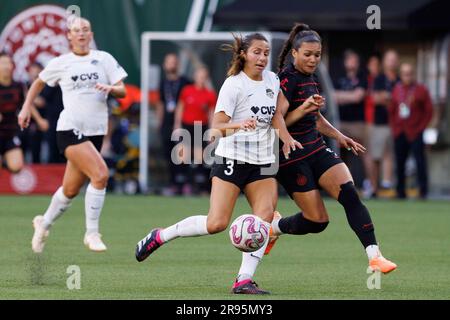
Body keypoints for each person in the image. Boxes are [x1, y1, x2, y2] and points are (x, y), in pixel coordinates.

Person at [135, 33, 284, 294]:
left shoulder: (273, 80)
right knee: (216, 223)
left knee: (264, 219)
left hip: (263, 160)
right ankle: (161, 235)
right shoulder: (233, 85)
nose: (262, 58)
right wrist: (240, 124)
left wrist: (298, 119)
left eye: (266, 53)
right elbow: (215, 129)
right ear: (244, 55)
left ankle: (243, 280)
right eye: (257, 52)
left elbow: (278, 116)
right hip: (232, 158)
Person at [266, 23, 397, 274]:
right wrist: (286, 138)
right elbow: (276, 117)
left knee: (350, 194)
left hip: (316, 147)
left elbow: (315, 118)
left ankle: (375, 257)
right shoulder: (287, 77)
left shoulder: (311, 79)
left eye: (317, 54)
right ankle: (275, 228)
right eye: (307, 54)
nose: (313, 59)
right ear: (294, 53)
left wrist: (340, 136)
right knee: (318, 221)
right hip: (292, 157)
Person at [18, 17, 127, 253]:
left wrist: (112, 89)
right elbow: (38, 83)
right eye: (76, 30)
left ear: (91, 34)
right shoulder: (62, 62)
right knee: (100, 174)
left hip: (95, 133)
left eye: (85, 30)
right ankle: (92, 233)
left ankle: (43, 223)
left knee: (69, 190)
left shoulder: (104, 59)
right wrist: (26, 108)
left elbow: (122, 89)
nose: (81, 34)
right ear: (69, 36)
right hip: (69, 129)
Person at [389, 63, 433, 199]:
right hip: (400, 131)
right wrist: (394, 127)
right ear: (401, 75)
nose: (407, 76)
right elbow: (392, 110)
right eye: (404, 73)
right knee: (400, 162)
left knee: (420, 161)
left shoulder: (421, 90)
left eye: (409, 73)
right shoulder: (396, 89)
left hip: (415, 131)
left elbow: (429, 111)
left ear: (413, 74)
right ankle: (400, 191)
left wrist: (421, 127)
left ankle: (423, 191)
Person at [174, 66, 217, 194]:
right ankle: (182, 184)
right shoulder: (187, 90)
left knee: (199, 157)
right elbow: (180, 108)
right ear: (195, 77)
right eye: (200, 76)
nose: (201, 79)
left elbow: (211, 114)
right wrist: (177, 125)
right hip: (187, 126)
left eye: (204, 77)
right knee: (183, 155)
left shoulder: (209, 94)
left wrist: (211, 131)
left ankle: (198, 185)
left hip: (201, 127)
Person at [0, 52, 46, 173]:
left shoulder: (19, 86)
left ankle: (6, 160)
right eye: (3, 63)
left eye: (8, 63)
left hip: (11, 132)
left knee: (16, 166)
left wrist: (40, 120)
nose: (6, 66)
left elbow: (27, 104)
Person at [333, 49, 371, 192]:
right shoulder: (339, 78)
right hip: (340, 123)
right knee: (339, 155)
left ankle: (369, 186)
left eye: (354, 60)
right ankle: (342, 186)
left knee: (364, 153)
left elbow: (358, 97)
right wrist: (349, 96)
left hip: (357, 123)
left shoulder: (362, 77)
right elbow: (332, 96)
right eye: (349, 60)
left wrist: (343, 97)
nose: (352, 63)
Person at [155, 53, 191, 195]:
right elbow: (160, 103)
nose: (172, 65)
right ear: (165, 65)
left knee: (183, 153)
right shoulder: (162, 83)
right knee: (168, 152)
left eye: (174, 62)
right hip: (167, 123)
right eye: (169, 62)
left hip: (183, 123)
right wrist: (160, 121)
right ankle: (173, 183)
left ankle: (185, 181)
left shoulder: (186, 82)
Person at [371, 50, 399, 192]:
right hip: (380, 123)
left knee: (392, 155)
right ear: (384, 62)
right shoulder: (379, 79)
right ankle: (374, 188)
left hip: (396, 124)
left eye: (394, 59)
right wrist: (390, 97)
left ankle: (388, 186)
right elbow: (375, 99)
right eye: (389, 59)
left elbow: (400, 101)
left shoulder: (400, 80)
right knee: (376, 156)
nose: (392, 62)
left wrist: (387, 97)